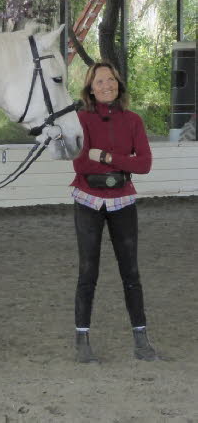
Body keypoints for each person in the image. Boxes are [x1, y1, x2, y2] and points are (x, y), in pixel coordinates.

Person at [70, 62, 158, 363]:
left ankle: (142, 342)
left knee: (131, 272)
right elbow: (81, 164)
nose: (106, 85)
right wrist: (123, 160)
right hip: (88, 200)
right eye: (100, 81)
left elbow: (144, 164)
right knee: (87, 271)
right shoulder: (81, 120)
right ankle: (82, 342)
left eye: (111, 80)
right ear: (90, 89)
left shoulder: (133, 121)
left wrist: (105, 156)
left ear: (118, 84)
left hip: (122, 200)